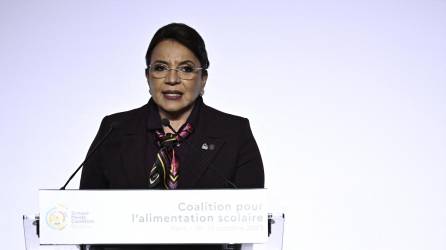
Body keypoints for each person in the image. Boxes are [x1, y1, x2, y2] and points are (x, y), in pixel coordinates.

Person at [80, 23, 264, 250]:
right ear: (148, 76)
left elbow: (250, 219)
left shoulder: (234, 132)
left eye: (186, 69)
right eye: (160, 68)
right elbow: (85, 215)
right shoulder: (114, 129)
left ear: (203, 79)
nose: (172, 79)